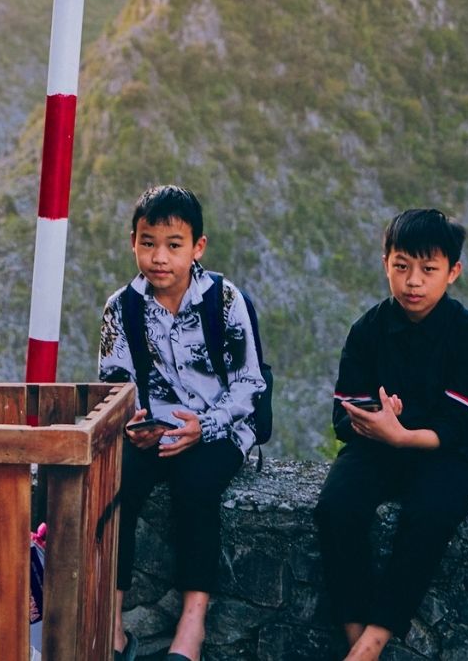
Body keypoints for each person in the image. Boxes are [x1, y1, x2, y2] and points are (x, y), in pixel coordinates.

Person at [314, 207, 468, 661]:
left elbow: (456, 427)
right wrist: (376, 421)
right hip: (376, 445)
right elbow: (343, 414)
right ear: (385, 264)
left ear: (453, 272)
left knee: (430, 515)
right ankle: (356, 634)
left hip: (443, 453)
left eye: (428, 270)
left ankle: (372, 642)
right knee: (336, 506)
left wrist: (403, 434)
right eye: (401, 267)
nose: (413, 281)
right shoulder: (368, 330)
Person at [99, 184, 265, 661]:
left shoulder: (224, 300)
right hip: (155, 428)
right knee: (115, 483)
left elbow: (248, 385)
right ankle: (111, 624)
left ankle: (192, 622)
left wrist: (204, 427)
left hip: (222, 426)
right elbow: (114, 385)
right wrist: (135, 420)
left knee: (196, 486)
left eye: (174, 245)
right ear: (133, 241)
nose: (159, 257)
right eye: (148, 242)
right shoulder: (121, 309)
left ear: (198, 247)